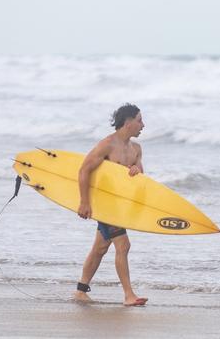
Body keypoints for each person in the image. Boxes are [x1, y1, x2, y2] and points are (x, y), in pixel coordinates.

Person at [73, 103, 148, 306]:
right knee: (123, 245)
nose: (143, 125)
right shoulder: (107, 145)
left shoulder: (136, 149)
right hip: (105, 205)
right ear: (128, 122)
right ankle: (128, 295)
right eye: (140, 120)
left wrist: (135, 169)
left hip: (120, 206)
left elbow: (141, 177)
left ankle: (80, 290)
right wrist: (84, 202)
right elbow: (84, 171)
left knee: (100, 247)